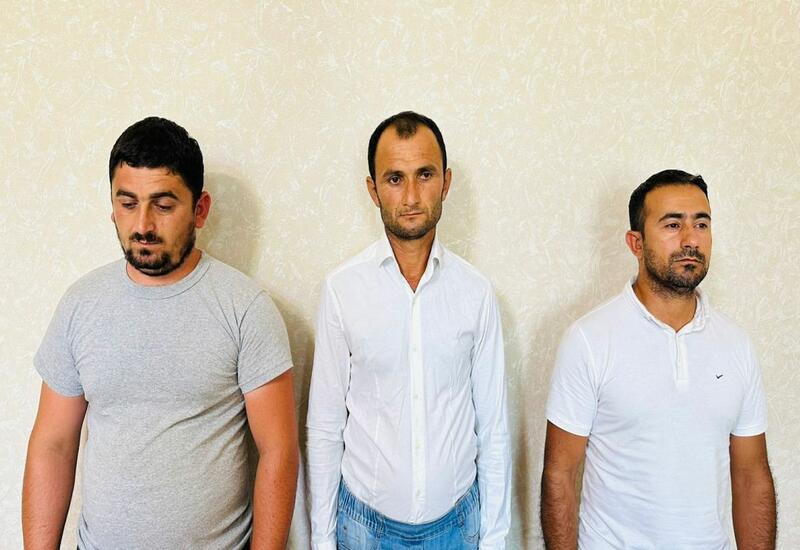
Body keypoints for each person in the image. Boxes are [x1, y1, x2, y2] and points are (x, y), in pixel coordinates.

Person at [22, 117, 299, 550]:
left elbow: (278, 451)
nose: (143, 225)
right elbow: (53, 445)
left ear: (200, 209)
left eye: (163, 205)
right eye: (128, 203)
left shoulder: (245, 308)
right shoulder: (80, 305)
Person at [306, 111, 510, 549]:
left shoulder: (476, 292)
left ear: (446, 182)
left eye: (425, 175)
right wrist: (322, 542)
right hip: (364, 527)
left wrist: (494, 539)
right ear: (373, 190)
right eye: (395, 179)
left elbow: (493, 426)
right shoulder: (342, 290)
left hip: (458, 526)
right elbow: (324, 426)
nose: (412, 195)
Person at [541, 170, 776, 549]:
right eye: (672, 225)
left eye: (701, 224)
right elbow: (560, 474)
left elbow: (752, 475)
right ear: (635, 243)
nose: (690, 240)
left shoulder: (736, 345)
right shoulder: (589, 340)